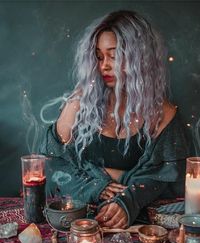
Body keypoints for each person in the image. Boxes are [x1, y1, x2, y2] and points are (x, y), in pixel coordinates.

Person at [40, 10, 189, 229]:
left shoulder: (161, 111)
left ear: (140, 59)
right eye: (99, 57)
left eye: (114, 55)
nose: (104, 66)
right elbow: (53, 159)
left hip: (137, 224)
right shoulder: (81, 102)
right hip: (80, 217)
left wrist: (128, 199)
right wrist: (96, 185)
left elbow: (164, 175)